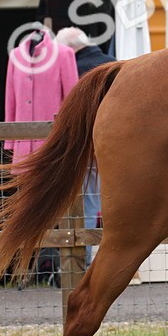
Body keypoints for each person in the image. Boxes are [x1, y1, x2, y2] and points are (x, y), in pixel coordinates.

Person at [54, 27, 117, 268]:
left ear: (68, 50)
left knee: (86, 207)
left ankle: (84, 265)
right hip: (119, 148)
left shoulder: (73, 71)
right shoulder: (114, 63)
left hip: (88, 148)